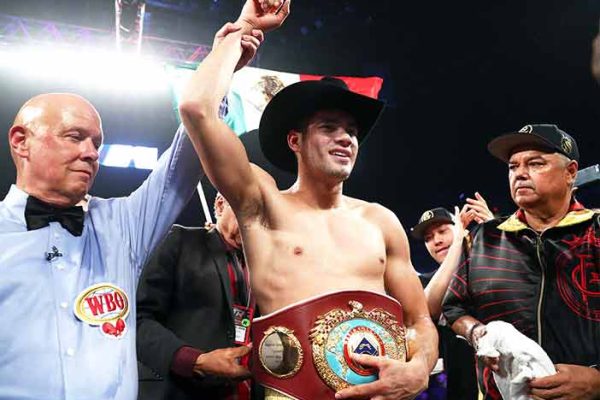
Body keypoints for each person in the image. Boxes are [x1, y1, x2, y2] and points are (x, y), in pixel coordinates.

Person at [178, 1, 438, 399]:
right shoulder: (263, 205)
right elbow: (197, 109)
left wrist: (419, 370)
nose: (346, 138)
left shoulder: (380, 221)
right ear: (295, 141)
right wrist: (243, 28)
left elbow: (419, 319)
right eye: (329, 127)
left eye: (352, 131)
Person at [0, 22, 261, 399]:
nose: (91, 153)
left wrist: (226, 56)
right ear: (21, 142)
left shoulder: (120, 224)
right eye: (74, 137)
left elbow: (185, 156)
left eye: (96, 143)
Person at [443, 124, 600, 400]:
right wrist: (477, 333)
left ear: (571, 173)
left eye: (535, 163)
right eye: (513, 166)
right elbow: (454, 308)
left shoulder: (595, 232)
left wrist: (597, 381)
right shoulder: (485, 238)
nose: (520, 174)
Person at [136, 193, 254, 400]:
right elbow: (138, 320)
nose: (255, 222)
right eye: (249, 210)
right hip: (180, 391)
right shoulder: (179, 240)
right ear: (219, 205)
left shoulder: (262, 264)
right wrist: (194, 360)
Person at [411, 201, 493, 400]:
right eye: (428, 238)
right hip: (462, 389)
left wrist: (494, 231)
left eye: (442, 231)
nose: (436, 241)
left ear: (462, 228)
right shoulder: (425, 282)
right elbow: (428, 307)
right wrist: (456, 242)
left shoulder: (489, 266)